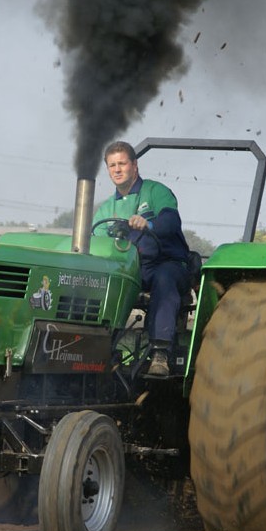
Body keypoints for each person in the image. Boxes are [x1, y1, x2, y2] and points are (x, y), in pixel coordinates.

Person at [92, 140, 191, 376]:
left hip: (167, 264)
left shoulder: (156, 192)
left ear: (134, 166)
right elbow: (96, 241)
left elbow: (170, 221)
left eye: (122, 164)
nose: (117, 169)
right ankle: (99, 352)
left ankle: (160, 353)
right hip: (132, 271)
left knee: (164, 278)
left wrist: (149, 224)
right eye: (112, 165)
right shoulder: (106, 209)